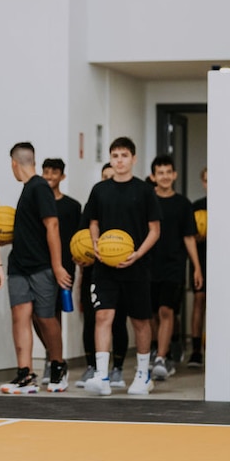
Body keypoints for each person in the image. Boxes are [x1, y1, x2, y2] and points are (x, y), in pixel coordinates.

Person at [83, 136, 161, 396]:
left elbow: (155, 230)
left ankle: (142, 374)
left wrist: (137, 254)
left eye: (124, 155)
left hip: (136, 266)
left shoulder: (145, 190)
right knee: (103, 316)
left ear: (134, 159)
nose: (119, 160)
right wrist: (95, 243)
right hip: (104, 266)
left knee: (140, 321)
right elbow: (93, 222)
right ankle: (102, 375)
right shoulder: (100, 190)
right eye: (115, 156)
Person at [0, 143, 72, 394]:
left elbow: (52, 226)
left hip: (41, 266)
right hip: (18, 265)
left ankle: (58, 366)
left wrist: (57, 266)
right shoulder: (28, 189)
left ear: (14, 163)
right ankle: (25, 374)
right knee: (20, 316)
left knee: (45, 317)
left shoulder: (40, 187)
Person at [74, 163, 130, 389]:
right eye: (105, 176)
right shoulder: (94, 202)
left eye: (111, 176)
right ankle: (94, 368)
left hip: (123, 269)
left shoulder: (126, 203)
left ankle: (117, 368)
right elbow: (80, 239)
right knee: (92, 320)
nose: (109, 179)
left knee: (118, 321)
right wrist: (80, 264)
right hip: (94, 272)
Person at [148, 155, 203, 380]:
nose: (164, 176)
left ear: (174, 175)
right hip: (149, 265)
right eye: (160, 173)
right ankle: (162, 349)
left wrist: (197, 268)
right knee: (151, 313)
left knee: (166, 310)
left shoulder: (183, 204)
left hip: (174, 266)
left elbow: (189, 238)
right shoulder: (147, 201)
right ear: (153, 176)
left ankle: (161, 357)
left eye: (168, 172)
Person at [38, 157, 81, 386]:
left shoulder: (72, 206)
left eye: (54, 172)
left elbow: (78, 238)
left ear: (62, 176)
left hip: (64, 267)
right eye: (46, 172)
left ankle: (54, 361)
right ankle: (51, 355)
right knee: (38, 315)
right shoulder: (38, 202)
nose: (49, 176)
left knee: (54, 314)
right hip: (40, 266)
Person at [188, 167, 208, 367]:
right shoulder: (196, 207)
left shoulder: (228, 206)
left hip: (220, 259)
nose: (209, 184)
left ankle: (214, 347)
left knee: (218, 304)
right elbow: (188, 236)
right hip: (200, 260)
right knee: (199, 301)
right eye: (206, 180)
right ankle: (195, 351)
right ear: (203, 183)